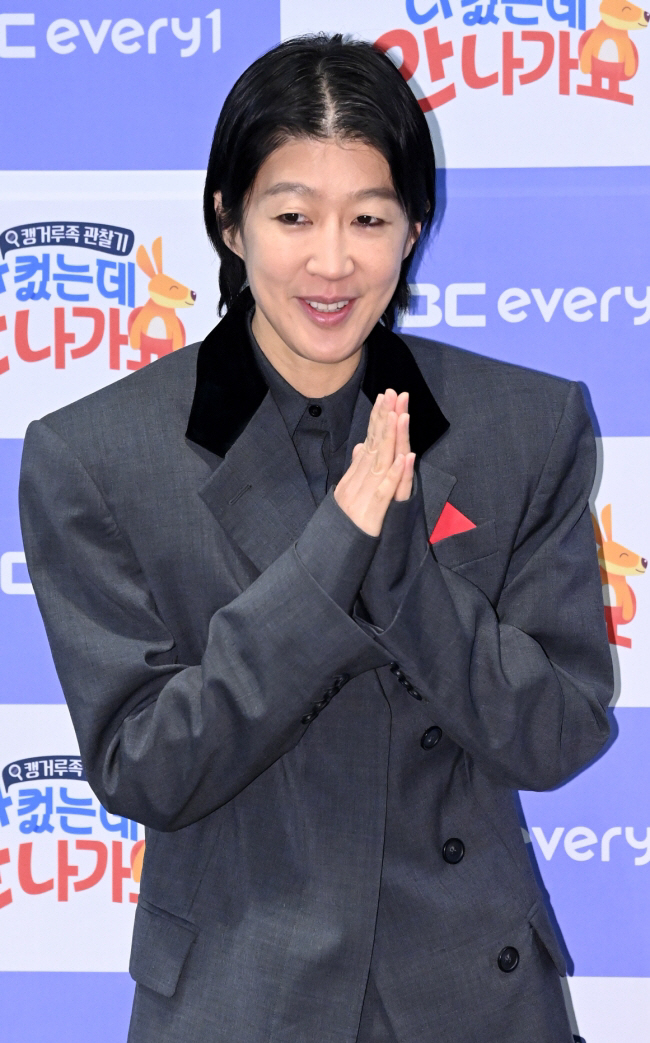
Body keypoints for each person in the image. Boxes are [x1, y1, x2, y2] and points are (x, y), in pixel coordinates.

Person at [19, 33, 613, 1043]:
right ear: (229, 219)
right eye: (292, 215)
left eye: (368, 218)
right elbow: (146, 768)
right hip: (238, 994)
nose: (332, 261)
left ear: (413, 227)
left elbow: (556, 733)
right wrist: (333, 551)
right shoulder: (97, 456)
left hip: (475, 994)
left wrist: (407, 579)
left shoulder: (524, 425)